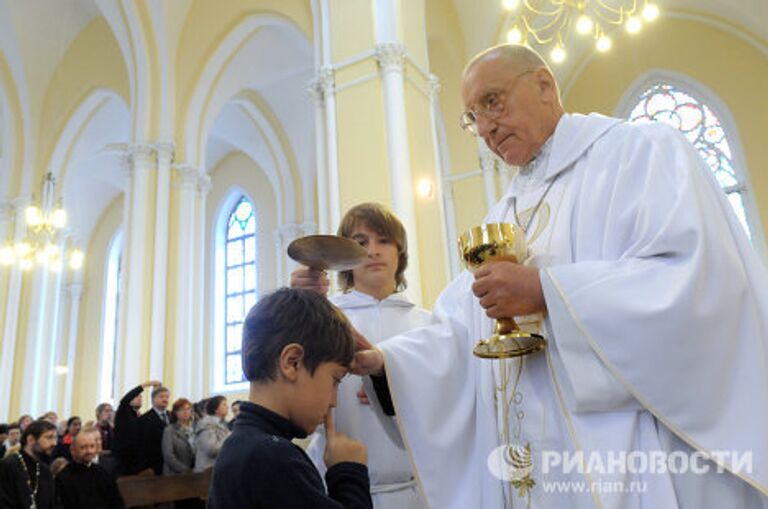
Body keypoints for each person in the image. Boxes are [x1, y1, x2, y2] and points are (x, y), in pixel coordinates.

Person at [351, 43, 768, 508]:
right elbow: (459, 327)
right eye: (472, 117)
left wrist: (548, 290)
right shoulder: (502, 213)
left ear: (545, 86)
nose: (485, 127)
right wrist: (387, 364)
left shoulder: (638, 153)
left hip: (625, 456)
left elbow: (696, 279)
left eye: (492, 101)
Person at [293, 202, 430, 509]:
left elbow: (446, 405)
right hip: (338, 488)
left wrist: (392, 387)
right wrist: (298, 306)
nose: (373, 250)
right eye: (360, 242)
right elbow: (293, 385)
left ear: (401, 253)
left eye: (384, 240)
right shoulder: (326, 318)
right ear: (343, 258)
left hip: (415, 489)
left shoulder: (428, 324)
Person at [208, 288, 372, 508]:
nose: (334, 401)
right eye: (335, 380)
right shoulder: (274, 459)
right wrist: (349, 472)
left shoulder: (243, 444)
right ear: (292, 362)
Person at [55, 429, 124, 508]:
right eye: (83, 447)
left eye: (92, 446)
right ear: (73, 450)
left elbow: (117, 502)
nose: (89, 451)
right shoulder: (63, 477)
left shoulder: (102, 472)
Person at [0, 419, 57, 508]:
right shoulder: (8, 465)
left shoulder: (45, 470)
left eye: (55, 438)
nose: (54, 443)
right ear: (30, 440)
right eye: (49, 437)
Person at [112, 380, 160, 474]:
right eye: (136, 396)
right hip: (123, 458)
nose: (140, 398)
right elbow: (125, 399)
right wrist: (146, 385)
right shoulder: (123, 411)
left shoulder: (137, 415)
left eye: (141, 397)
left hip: (135, 458)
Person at [138, 385, 171, 474]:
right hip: (154, 465)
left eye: (167, 397)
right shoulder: (144, 419)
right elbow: (144, 445)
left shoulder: (172, 416)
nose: (165, 399)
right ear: (153, 399)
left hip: (171, 463)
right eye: (161, 397)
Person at [193, 395, 230, 472]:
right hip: (207, 471)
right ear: (216, 409)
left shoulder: (223, 424)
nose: (228, 407)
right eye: (224, 404)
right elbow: (212, 450)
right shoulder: (206, 424)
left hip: (218, 469)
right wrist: (229, 436)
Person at [162, 398, 196, 474]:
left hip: (194, 472)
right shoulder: (170, 430)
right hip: (175, 473)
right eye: (181, 409)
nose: (185, 412)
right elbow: (168, 456)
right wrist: (185, 470)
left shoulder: (195, 428)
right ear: (175, 412)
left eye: (188, 409)